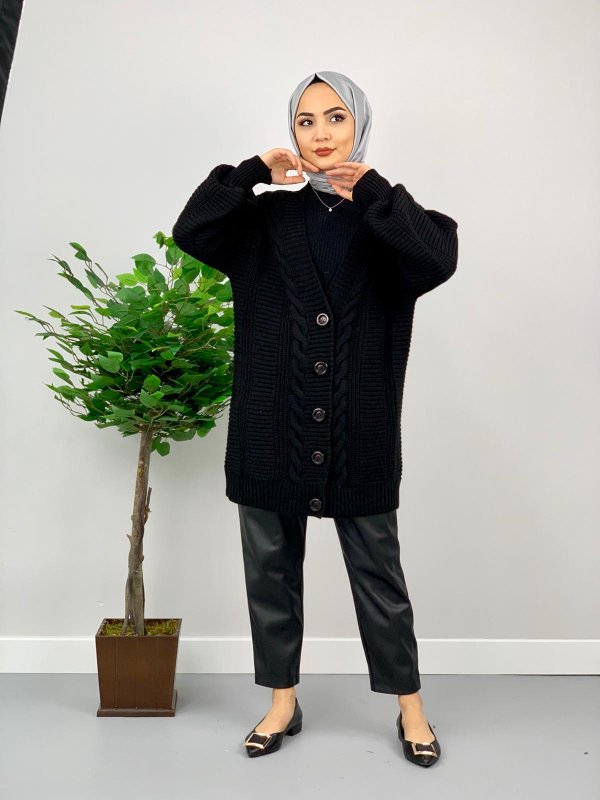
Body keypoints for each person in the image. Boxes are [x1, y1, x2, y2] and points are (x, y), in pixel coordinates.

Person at [172, 70, 458, 767]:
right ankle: (281, 701)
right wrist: (253, 171)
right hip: (269, 431)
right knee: (270, 575)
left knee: (379, 580)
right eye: (306, 121)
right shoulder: (263, 223)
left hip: (360, 435)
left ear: (359, 125)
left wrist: (377, 192)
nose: (321, 133)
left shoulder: (394, 222)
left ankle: (411, 708)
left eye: (336, 117)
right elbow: (192, 229)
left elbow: (438, 258)